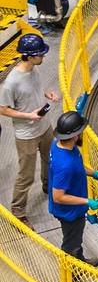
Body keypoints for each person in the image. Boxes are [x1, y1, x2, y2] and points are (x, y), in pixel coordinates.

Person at [0, 32, 58, 223]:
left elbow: (33, 89)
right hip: (27, 135)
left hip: (44, 128)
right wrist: (29, 116)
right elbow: (3, 109)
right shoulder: (11, 83)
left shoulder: (33, 69)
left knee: (49, 160)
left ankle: (47, 186)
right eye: (41, 54)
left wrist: (46, 94)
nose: (43, 57)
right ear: (30, 56)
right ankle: (18, 212)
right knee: (26, 176)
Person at [48, 108, 98, 265]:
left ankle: (80, 260)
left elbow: (78, 166)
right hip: (69, 212)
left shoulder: (58, 144)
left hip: (73, 209)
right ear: (74, 135)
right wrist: (87, 201)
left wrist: (95, 174)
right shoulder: (65, 165)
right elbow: (58, 196)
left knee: (75, 238)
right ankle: (73, 280)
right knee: (71, 244)